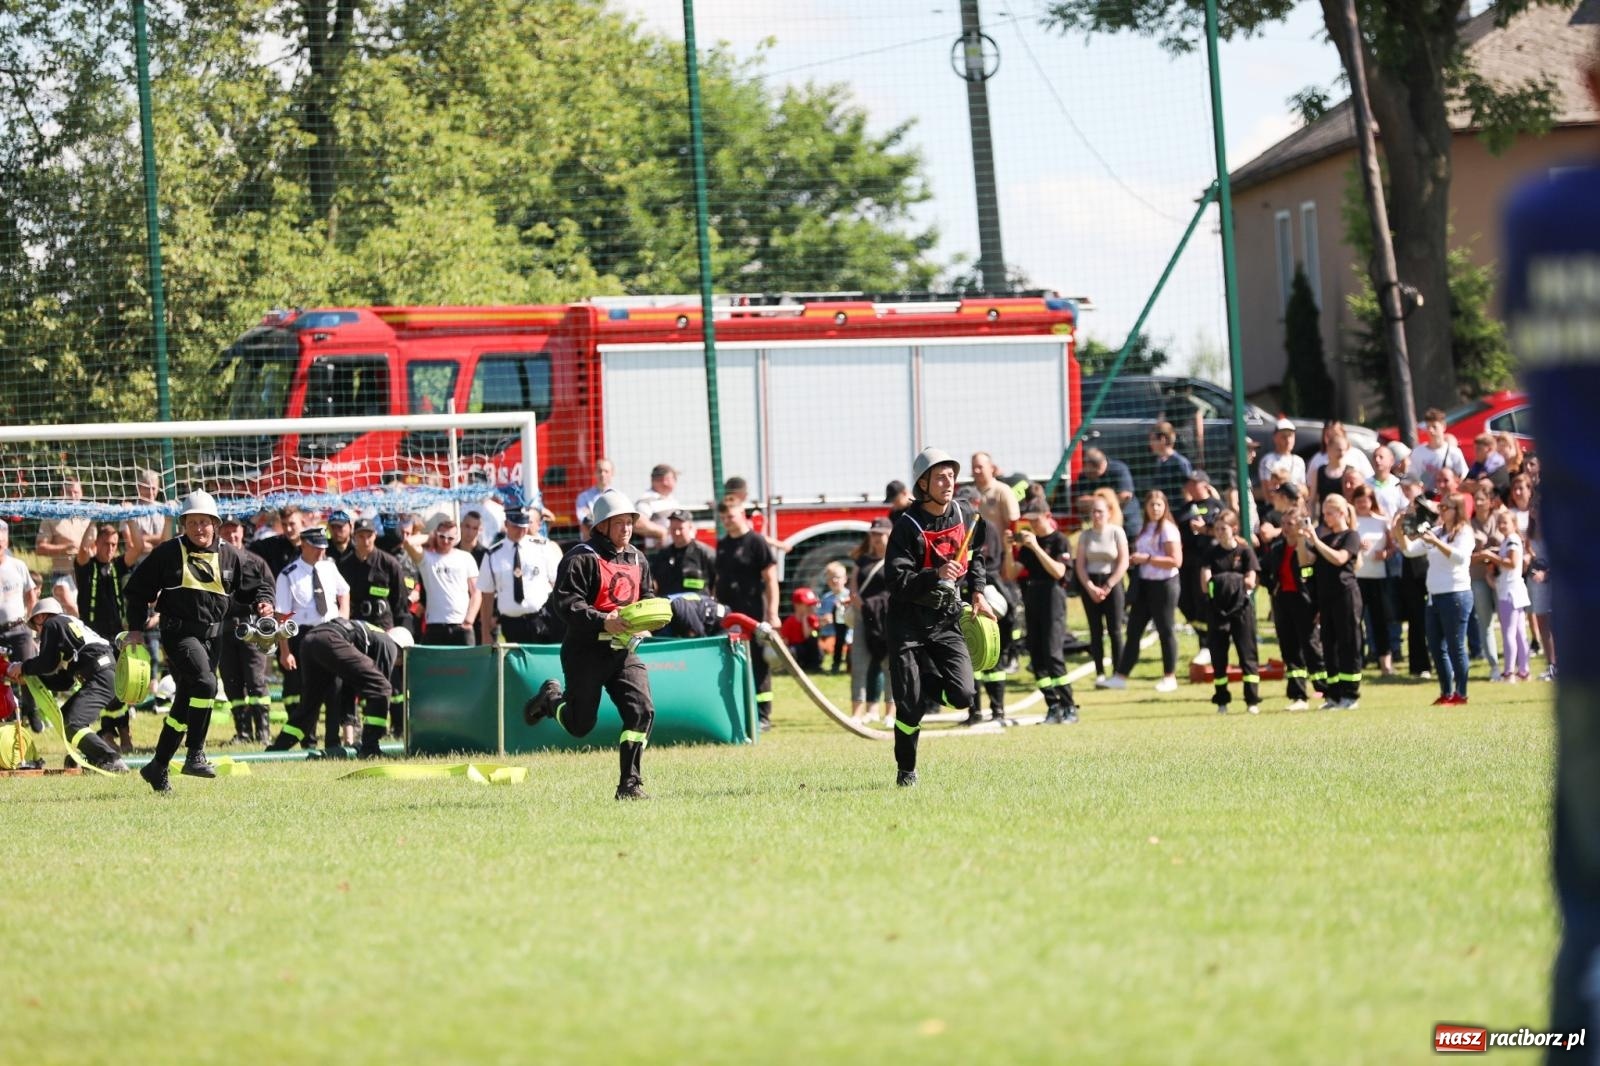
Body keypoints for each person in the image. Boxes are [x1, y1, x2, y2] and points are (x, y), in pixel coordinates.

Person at [123, 491, 274, 792]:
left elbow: (258, 585)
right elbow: (137, 590)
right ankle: (195, 754)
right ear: (183, 525)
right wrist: (137, 629)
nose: (199, 529)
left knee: (183, 704)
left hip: (213, 638)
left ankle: (158, 767)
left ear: (215, 524)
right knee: (206, 685)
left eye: (204, 523)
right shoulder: (167, 553)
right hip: (178, 635)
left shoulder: (231, 555)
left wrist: (264, 603)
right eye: (192, 523)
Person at [522, 489, 659, 800]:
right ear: (602, 526)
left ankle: (630, 785)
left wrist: (650, 619)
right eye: (619, 523)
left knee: (642, 711)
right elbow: (566, 604)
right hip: (584, 652)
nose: (626, 529)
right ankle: (551, 698)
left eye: (629, 522)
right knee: (580, 725)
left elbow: (646, 598)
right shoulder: (580, 558)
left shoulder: (638, 559)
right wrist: (603, 620)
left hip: (623, 651)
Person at [883, 448, 993, 787]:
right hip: (907, 624)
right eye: (940, 477)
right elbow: (897, 582)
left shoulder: (966, 515)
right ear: (923, 484)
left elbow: (975, 557)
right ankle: (906, 770)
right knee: (910, 707)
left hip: (946, 620)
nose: (949, 483)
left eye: (951, 476)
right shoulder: (906, 526)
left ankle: (926, 688)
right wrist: (935, 574)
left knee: (963, 695)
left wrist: (977, 590)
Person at [6, 597, 127, 772]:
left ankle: (110, 760)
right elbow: (65, 682)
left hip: (100, 674)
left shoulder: (52, 623)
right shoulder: (69, 629)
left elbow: (47, 662)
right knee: (66, 719)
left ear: (40, 618)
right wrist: (34, 679)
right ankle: (95, 758)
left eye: (38, 627)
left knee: (72, 722)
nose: (40, 632)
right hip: (104, 673)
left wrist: (23, 667)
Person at [268, 526, 350, 750]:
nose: (320, 552)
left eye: (323, 547)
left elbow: (344, 591)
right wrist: (285, 651)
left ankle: (333, 741)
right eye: (316, 547)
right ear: (303, 544)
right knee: (309, 691)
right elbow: (282, 615)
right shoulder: (288, 575)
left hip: (332, 630)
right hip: (304, 636)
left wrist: (344, 618)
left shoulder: (329, 567)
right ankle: (309, 740)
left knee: (335, 688)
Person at [1003, 495, 1077, 724]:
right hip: (1032, 596)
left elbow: (1059, 572)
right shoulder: (1028, 545)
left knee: (1053, 653)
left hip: (1053, 596)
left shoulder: (1059, 541)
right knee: (1037, 656)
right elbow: (1012, 573)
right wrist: (1008, 549)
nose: (1032, 525)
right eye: (1030, 521)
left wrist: (1036, 546)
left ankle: (1069, 707)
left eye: (1036, 520)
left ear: (1047, 516)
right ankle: (1052, 705)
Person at [1395, 492, 1475, 705]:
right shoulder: (1437, 532)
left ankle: (1462, 693)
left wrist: (1436, 542)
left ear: (1457, 510)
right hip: (1434, 596)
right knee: (1436, 647)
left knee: (1456, 646)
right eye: (1440, 508)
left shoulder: (1464, 533)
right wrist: (1398, 530)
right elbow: (1410, 551)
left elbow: (1459, 558)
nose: (1441, 511)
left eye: (1445, 508)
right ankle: (1447, 692)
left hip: (1456, 594)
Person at [1102, 491, 1183, 691]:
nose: (1155, 508)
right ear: (1145, 507)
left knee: (1166, 629)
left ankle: (1169, 676)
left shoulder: (1168, 529)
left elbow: (1176, 561)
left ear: (1165, 507)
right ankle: (1120, 676)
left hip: (1164, 585)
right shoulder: (1145, 528)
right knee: (1134, 630)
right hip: (1144, 585)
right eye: (1152, 505)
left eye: (1159, 505)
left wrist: (1147, 559)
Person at [294, 617, 403, 759]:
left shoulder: (369, 641)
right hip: (330, 638)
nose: (397, 665)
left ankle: (277, 749)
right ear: (402, 649)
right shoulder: (389, 645)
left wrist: (349, 740)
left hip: (312, 637)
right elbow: (379, 690)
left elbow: (348, 690)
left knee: (309, 705)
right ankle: (370, 748)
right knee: (381, 688)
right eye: (399, 663)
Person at [716, 494, 779, 730]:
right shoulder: (723, 544)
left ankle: (763, 716)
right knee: (732, 661)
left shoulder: (756, 542)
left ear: (741, 515)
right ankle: (741, 711)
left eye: (730, 516)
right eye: (723, 518)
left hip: (754, 612)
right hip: (729, 614)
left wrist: (772, 614)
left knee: (759, 664)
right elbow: (719, 579)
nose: (727, 521)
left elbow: (771, 579)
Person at [76, 523, 137, 752]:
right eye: (106, 544)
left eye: (114, 544)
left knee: (120, 685)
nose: (111, 548)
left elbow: (137, 547)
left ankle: (123, 730)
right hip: (92, 639)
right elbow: (82, 549)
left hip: (116, 637)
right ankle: (108, 733)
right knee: (103, 684)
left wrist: (127, 521)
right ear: (96, 544)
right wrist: (93, 521)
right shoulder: (85, 566)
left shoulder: (118, 566)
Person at [1261, 486, 1323, 710]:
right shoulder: (1277, 549)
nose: (1285, 528)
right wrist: (1272, 587)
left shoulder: (1307, 548)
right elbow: (1262, 571)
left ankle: (1324, 688)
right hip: (1283, 601)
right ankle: (1298, 695)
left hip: (1303, 601)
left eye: (1290, 524)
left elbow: (1313, 577)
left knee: (1311, 645)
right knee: (1289, 648)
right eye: (1284, 524)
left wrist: (1317, 604)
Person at [1300, 493, 1363, 710]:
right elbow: (1305, 561)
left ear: (1342, 513)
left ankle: (1351, 694)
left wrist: (1315, 541)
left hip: (1346, 595)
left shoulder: (1351, 536)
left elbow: (1340, 558)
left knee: (1348, 643)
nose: (1325, 517)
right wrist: (1303, 539)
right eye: (1324, 513)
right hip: (1326, 597)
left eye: (1329, 513)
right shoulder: (1324, 538)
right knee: (1330, 645)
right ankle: (1334, 695)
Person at [216, 517, 275, 744]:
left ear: (243, 532)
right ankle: (243, 732)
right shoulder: (215, 562)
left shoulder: (256, 562)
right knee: (231, 682)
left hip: (251, 630)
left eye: (236, 530)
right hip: (224, 631)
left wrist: (265, 603)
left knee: (255, 680)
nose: (232, 535)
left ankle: (263, 732)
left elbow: (267, 589)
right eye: (227, 531)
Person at [1198, 510, 1260, 714]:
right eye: (1216, 529)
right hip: (1217, 611)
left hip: (1241, 609)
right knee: (1218, 655)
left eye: (1222, 528)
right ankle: (1222, 700)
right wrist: (1230, 580)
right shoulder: (1210, 553)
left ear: (1234, 529)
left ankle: (1252, 700)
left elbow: (1251, 580)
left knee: (1247, 654)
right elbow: (1206, 584)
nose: (1219, 533)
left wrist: (1228, 580)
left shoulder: (1245, 552)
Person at [476, 506, 564, 645]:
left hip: (543, 619)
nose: (521, 531)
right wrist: (485, 633)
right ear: (506, 524)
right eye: (516, 526)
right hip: (511, 624)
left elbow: (556, 585)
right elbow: (487, 596)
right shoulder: (492, 555)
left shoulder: (543, 547)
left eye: (524, 526)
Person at [1077, 491, 1129, 684]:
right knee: (1095, 630)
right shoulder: (1086, 535)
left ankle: (1118, 672)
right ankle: (1099, 672)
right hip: (1090, 582)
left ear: (1108, 512)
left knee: (1115, 629)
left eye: (1100, 511)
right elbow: (1080, 565)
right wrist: (1090, 587)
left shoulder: (1117, 532)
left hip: (1112, 583)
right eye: (1093, 512)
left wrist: (1108, 585)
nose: (1096, 515)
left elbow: (1123, 562)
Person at [405, 518, 480, 646]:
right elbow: (407, 542)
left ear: (457, 538)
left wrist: (469, 620)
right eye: (442, 536)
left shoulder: (466, 558)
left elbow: (476, 593)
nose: (445, 541)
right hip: (434, 624)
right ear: (436, 535)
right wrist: (430, 536)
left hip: (461, 624)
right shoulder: (427, 558)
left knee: (466, 666)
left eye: (450, 538)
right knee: (435, 666)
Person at [1350, 486, 1396, 678]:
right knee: (1355, 623)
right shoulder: (1351, 522)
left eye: (1365, 500)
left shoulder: (1382, 522)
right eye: (1358, 500)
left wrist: (1385, 554)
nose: (1362, 504)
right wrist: (1356, 546)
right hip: (1356, 577)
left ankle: (1385, 664)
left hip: (1378, 577)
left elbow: (1392, 547)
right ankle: (1356, 662)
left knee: (1380, 622)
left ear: (1372, 501)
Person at [849, 517, 892, 724]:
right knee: (859, 664)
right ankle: (857, 712)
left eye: (880, 534)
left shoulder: (897, 559)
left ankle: (891, 713)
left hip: (890, 619)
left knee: (891, 666)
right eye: (874, 534)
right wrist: (860, 605)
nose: (876, 538)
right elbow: (853, 587)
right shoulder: (862, 560)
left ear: (890, 535)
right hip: (864, 617)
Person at [0, 519, 42, 732]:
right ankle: (4, 715)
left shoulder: (18, 566)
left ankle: (31, 708)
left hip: (19, 629)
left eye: (1, 540)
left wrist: (31, 623)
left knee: (28, 669)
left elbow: (31, 595)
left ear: (6, 541)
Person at [1483, 507, 1531, 683]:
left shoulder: (1512, 540)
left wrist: (1490, 556)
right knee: (1519, 633)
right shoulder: (1510, 540)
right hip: (1512, 590)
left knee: (1509, 633)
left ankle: (1509, 671)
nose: (1501, 525)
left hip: (1510, 591)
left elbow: (1512, 563)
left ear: (1513, 524)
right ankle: (1524, 670)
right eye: (1500, 522)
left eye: (1505, 522)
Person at [338, 517, 408, 634]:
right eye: (361, 536)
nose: (366, 541)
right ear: (354, 536)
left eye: (369, 536)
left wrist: (400, 629)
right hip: (356, 626)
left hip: (383, 626)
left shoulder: (389, 563)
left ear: (375, 536)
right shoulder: (345, 565)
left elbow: (400, 600)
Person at [34, 476, 90, 615]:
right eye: (69, 492)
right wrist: (65, 548)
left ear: (81, 493)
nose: (73, 496)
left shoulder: (88, 516)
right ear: (61, 494)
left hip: (85, 573)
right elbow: (40, 548)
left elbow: (95, 545)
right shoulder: (50, 517)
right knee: (70, 610)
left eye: (76, 492)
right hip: (62, 575)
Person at [1467, 483, 1504, 683]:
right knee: (1485, 622)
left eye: (1483, 499)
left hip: (1502, 577)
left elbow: (1511, 545)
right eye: (1476, 499)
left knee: (1507, 622)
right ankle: (1494, 667)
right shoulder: (1469, 524)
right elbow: (1466, 556)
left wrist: (1487, 555)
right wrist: (1486, 556)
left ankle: (1512, 664)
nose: (1479, 502)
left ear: (1491, 502)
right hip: (1478, 577)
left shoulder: (1500, 519)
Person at [650, 509, 717, 598]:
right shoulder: (663, 555)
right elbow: (653, 583)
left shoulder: (705, 553)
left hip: (697, 607)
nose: (677, 533)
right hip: (668, 606)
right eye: (673, 529)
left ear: (690, 528)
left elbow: (717, 581)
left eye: (681, 529)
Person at [1075, 448, 1136, 531]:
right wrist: (1110, 500)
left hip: (1127, 524)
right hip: (1097, 528)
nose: (1088, 474)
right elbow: (1080, 503)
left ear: (1102, 465)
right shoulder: (1083, 476)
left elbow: (1125, 496)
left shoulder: (1118, 469)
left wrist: (1095, 502)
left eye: (1092, 472)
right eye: (1087, 470)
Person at [1408, 408, 1469, 491]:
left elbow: (1462, 476)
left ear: (1443, 426)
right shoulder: (1418, 452)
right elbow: (1412, 477)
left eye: (1434, 427)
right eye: (1428, 427)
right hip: (1425, 497)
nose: (1431, 430)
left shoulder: (1454, 452)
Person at [122, 468, 172, 566]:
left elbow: (167, 542)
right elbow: (131, 544)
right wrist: (158, 541)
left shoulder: (164, 509)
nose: (150, 492)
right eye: (146, 488)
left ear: (158, 488)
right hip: (137, 565)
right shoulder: (129, 510)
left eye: (153, 488)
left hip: (161, 563)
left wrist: (143, 538)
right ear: (139, 487)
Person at [632, 463, 682, 551]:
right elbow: (637, 523)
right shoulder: (647, 500)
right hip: (658, 553)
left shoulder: (671, 500)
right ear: (663, 480)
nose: (675, 482)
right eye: (673, 478)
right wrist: (662, 532)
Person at [1306, 421, 1374, 484]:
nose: (1332, 439)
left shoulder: (1357, 455)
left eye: (1336, 434)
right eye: (1328, 435)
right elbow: (1310, 485)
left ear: (1343, 434)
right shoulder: (1317, 459)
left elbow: (1369, 480)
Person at [1145, 422, 1192, 507]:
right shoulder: (1159, 461)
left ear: (1162, 439)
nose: (1150, 444)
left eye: (1153, 439)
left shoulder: (1180, 462)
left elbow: (1188, 493)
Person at [817, 562, 851, 675]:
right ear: (827, 580)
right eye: (831, 578)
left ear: (845, 579)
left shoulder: (850, 596)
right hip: (830, 633)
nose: (834, 580)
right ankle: (835, 664)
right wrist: (823, 619)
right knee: (835, 643)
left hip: (849, 632)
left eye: (837, 577)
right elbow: (819, 618)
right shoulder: (826, 598)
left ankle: (849, 664)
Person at [1256, 418, 1307, 492]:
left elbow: (1305, 490)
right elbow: (1267, 490)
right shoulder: (1267, 460)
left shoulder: (1299, 461)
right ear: (1275, 437)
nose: (1288, 440)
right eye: (1284, 436)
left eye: (1291, 436)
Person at [781, 587, 825, 671]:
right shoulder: (790, 621)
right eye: (808, 605)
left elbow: (807, 635)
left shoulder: (812, 619)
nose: (811, 607)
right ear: (797, 605)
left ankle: (814, 665)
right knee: (796, 650)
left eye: (812, 605)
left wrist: (805, 619)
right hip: (796, 650)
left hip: (808, 649)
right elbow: (785, 641)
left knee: (814, 641)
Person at [574, 457, 615, 532]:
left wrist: (593, 515)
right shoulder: (584, 497)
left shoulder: (618, 496)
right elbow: (584, 519)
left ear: (612, 473)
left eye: (606, 471)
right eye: (600, 471)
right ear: (595, 473)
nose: (602, 474)